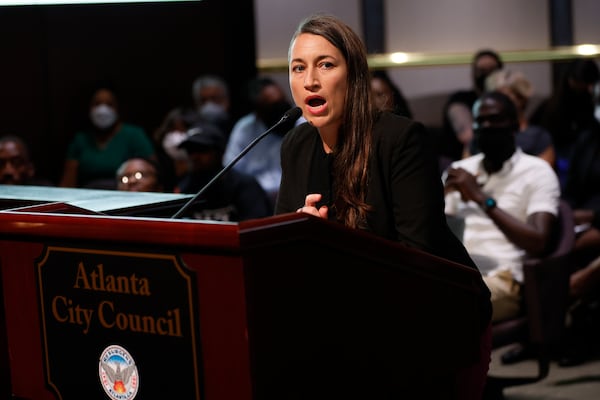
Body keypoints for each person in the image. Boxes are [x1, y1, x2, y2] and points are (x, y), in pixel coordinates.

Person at [276, 13, 491, 399]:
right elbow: (281, 249)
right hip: (347, 325)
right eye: (298, 68)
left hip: (434, 319)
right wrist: (297, 237)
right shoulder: (295, 146)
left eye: (326, 65)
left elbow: (416, 259)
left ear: (354, 74)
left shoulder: (400, 139)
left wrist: (324, 244)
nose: (310, 80)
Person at [444, 91, 560, 324]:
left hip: (503, 278)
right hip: (454, 274)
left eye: (495, 120)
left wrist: (481, 198)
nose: (487, 126)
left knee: (442, 309)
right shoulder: (459, 170)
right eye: (481, 121)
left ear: (515, 125)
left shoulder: (536, 171)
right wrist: (440, 199)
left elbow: (538, 240)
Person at [59, 86, 155, 189]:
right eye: (97, 104)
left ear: (118, 107)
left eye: (109, 104)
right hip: (87, 197)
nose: (102, 110)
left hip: (125, 194)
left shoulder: (134, 135)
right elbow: (67, 184)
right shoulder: (80, 140)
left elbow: (152, 174)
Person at [175, 122, 271, 222]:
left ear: (219, 152)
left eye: (201, 149)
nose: (194, 157)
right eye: (190, 151)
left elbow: (256, 228)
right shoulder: (184, 188)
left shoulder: (244, 186)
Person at [223, 77, 294, 208]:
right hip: (256, 200)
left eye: (282, 102)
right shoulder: (245, 129)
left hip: (296, 198)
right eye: (274, 107)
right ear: (258, 112)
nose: (282, 112)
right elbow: (232, 170)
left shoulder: (303, 123)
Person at [530, 58, 600, 188]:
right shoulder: (550, 106)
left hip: (583, 167)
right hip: (554, 161)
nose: (587, 88)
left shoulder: (591, 105)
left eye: (590, 84)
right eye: (581, 82)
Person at [439, 49, 504, 164]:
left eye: (491, 70)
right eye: (481, 70)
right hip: (458, 161)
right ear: (473, 73)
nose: (486, 74)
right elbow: (469, 138)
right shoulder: (460, 99)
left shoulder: (505, 100)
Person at [485, 69, 555, 166]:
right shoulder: (482, 135)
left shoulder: (538, 137)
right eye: (496, 97)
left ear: (521, 98)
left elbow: (543, 172)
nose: (499, 103)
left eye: (506, 97)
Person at [191, 74, 233, 139]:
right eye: (203, 100)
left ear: (226, 100)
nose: (209, 105)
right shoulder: (193, 133)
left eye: (214, 98)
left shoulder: (238, 129)